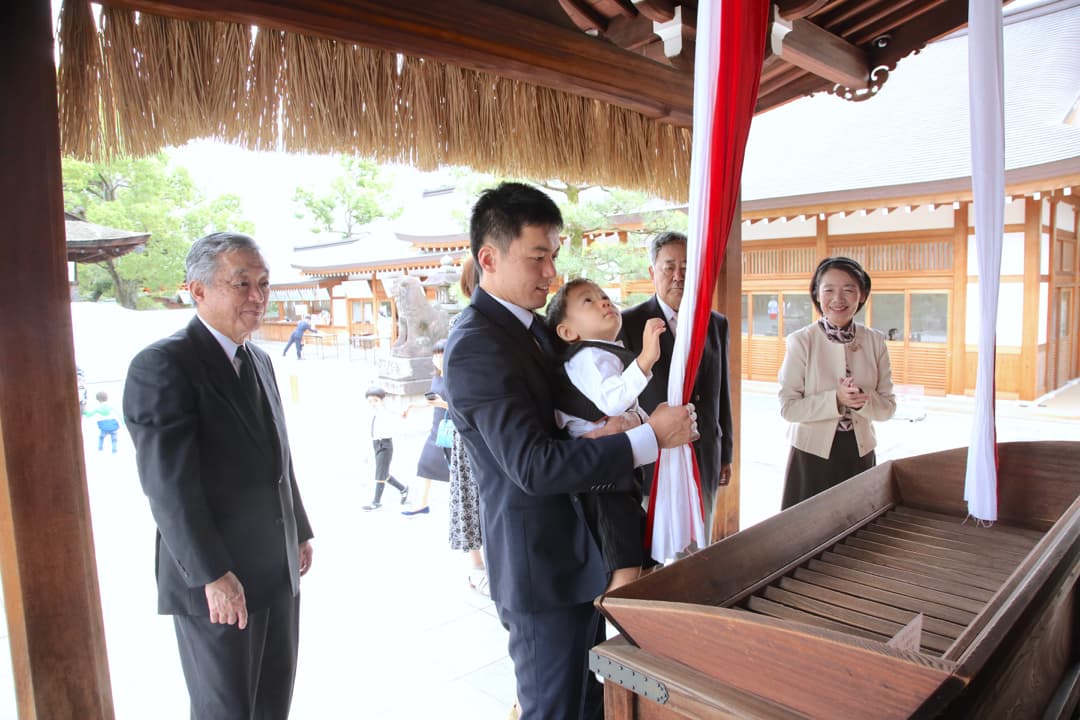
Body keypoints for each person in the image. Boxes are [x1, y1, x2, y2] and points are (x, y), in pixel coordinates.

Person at [443, 182, 698, 720]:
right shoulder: (476, 345)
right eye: (537, 258)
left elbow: (566, 424)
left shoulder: (535, 329)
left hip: (579, 553)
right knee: (554, 708)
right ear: (488, 258)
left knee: (588, 704)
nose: (551, 274)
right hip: (539, 568)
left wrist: (599, 432)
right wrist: (647, 437)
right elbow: (532, 466)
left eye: (553, 256)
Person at [123, 232, 314, 720]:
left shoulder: (260, 358)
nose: (258, 296)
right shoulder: (163, 366)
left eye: (264, 284)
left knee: (273, 702)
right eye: (242, 283)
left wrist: (300, 529)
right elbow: (169, 487)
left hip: (275, 567)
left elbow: (278, 458)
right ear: (199, 290)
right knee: (225, 709)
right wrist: (212, 574)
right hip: (216, 579)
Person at [546, 278, 666, 591]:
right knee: (627, 569)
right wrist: (646, 358)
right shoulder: (587, 356)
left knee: (645, 562)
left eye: (603, 296)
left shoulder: (602, 353)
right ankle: (621, 636)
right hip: (603, 481)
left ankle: (635, 631)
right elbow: (613, 400)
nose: (604, 302)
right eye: (588, 301)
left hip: (614, 474)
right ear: (568, 332)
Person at [621, 231, 734, 540]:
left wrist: (726, 452)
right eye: (669, 266)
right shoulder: (628, 323)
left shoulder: (715, 323)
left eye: (686, 267)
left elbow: (721, 392)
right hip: (652, 459)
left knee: (699, 545)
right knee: (652, 550)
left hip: (704, 454)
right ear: (652, 272)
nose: (678, 276)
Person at [778, 256, 896, 509]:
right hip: (811, 456)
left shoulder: (875, 341)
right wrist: (836, 399)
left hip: (860, 452)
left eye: (848, 289)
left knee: (857, 531)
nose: (838, 299)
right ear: (817, 295)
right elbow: (788, 408)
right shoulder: (801, 341)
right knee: (807, 532)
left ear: (862, 295)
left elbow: (888, 407)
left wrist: (862, 398)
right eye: (829, 289)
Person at [446, 257, 487, 594]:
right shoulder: (467, 323)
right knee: (470, 492)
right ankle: (475, 562)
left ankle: (479, 562)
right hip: (469, 429)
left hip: (468, 426)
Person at [401, 340, 451, 517]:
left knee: (455, 472)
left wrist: (442, 403)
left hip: (452, 430)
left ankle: (464, 507)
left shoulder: (456, 378)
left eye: (442, 355)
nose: (438, 359)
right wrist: (412, 406)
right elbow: (431, 401)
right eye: (435, 355)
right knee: (424, 465)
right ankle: (421, 504)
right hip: (436, 429)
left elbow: (462, 408)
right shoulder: (436, 377)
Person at [362, 386, 410, 511]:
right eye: (370, 400)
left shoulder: (383, 410)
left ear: (381, 401)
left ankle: (376, 502)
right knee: (384, 473)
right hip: (376, 444)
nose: (373, 403)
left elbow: (392, 409)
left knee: (380, 474)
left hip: (385, 445)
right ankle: (403, 489)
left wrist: (401, 413)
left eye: (375, 400)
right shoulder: (371, 412)